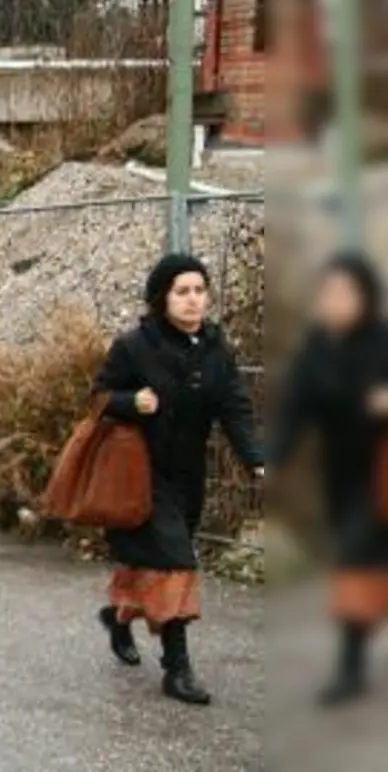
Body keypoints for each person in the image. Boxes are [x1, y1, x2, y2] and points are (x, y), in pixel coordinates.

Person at [91, 253, 263, 705]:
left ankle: (119, 616)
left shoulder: (215, 347)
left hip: (188, 474)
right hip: (141, 472)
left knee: (153, 561)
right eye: (182, 291)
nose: (192, 300)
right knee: (176, 564)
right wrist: (133, 402)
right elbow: (100, 398)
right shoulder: (135, 346)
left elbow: (235, 407)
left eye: (199, 290)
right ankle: (178, 668)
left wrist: (256, 459)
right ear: (162, 297)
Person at [267, 253, 388, 707]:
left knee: (357, 560)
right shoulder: (318, 347)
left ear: (365, 297)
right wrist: (274, 455)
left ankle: (350, 668)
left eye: (344, 292)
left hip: (382, 471)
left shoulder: (382, 341)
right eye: (328, 291)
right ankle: (353, 660)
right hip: (342, 474)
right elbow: (297, 406)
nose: (334, 300)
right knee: (356, 563)